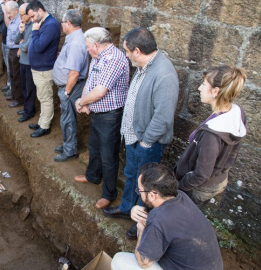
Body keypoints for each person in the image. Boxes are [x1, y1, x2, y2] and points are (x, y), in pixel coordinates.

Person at [102, 27, 179, 240]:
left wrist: (146, 142)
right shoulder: (144, 65)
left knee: (146, 185)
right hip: (133, 136)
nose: (125, 55)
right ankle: (127, 208)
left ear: (137, 51)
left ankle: (140, 221)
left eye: (127, 51)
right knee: (130, 175)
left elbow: (163, 117)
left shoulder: (164, 74)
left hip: (148, 142)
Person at [111, 163, 223, 270]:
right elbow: (161, 215)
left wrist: (141, 230)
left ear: (152, 195)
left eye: (140, 191)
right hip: (210, 265)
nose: (139, 194)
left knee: (119, 260)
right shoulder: (180, 196)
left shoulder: (158, 219)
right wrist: (136, 210)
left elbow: (144, 262)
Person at [175, 66, 247, 208]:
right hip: (218, 179)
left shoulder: (212, 135)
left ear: (215, 91)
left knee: (183, 219)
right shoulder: (236, 112)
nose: (199, 88)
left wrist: (180, 187)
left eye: (203, 84)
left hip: (199, 187)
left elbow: (201, 174)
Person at [73, 27, 129, 209]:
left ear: (96, 45)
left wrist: (81, 102)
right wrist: (86, 102)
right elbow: (91, 82)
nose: (87, 49)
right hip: (97, 112)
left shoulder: (114, 59)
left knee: (108, 156)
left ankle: (109, 193)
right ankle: (92, 176)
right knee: (94, 147)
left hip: (110, 116)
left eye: (88, 46)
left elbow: (100, 91)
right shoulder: (98, 56)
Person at [52, 9, 88, 162]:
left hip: (71, 87)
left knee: (68, 119)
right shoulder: (74, 38)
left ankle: (70, 150)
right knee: (66, 118)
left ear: (68, 23)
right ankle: (68, 144)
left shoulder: (75, 42)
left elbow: (74, 72)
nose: (61, 25)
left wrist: (67, 91)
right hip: (69, 85)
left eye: (62, 22)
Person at [26, 0, 60, 138]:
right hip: (39, 68)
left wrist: (34, 31)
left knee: (45, 98)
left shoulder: (50, 25)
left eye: (33, 16)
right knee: (42, 96)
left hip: (44, 69)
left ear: (40, 10)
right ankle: (41, 122)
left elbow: (39, 46)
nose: (32, 20)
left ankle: (45, 126)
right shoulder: (44, 23)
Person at [14, 3, 35, 123]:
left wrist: (21, 45)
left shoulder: (33, 27)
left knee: (29, 88)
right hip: (23, 61)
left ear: (28, 14)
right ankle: (27, 108)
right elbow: (16, 40)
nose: (20, 17)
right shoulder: (24, 26)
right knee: (24, 87)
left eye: (22, 14)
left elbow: (26, 47)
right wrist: (21, 32)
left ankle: (29, 112)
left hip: (29, 62)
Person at [5, 1, 22, 108]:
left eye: (9, 12)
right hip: (11, 50)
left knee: (17, 76)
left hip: (16, 51)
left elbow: (21, 37)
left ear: (16, 10)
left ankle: (19, 99)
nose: (8, 15)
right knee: (11, 74)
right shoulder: (12, 20)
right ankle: (14, 95)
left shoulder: (20, 21)